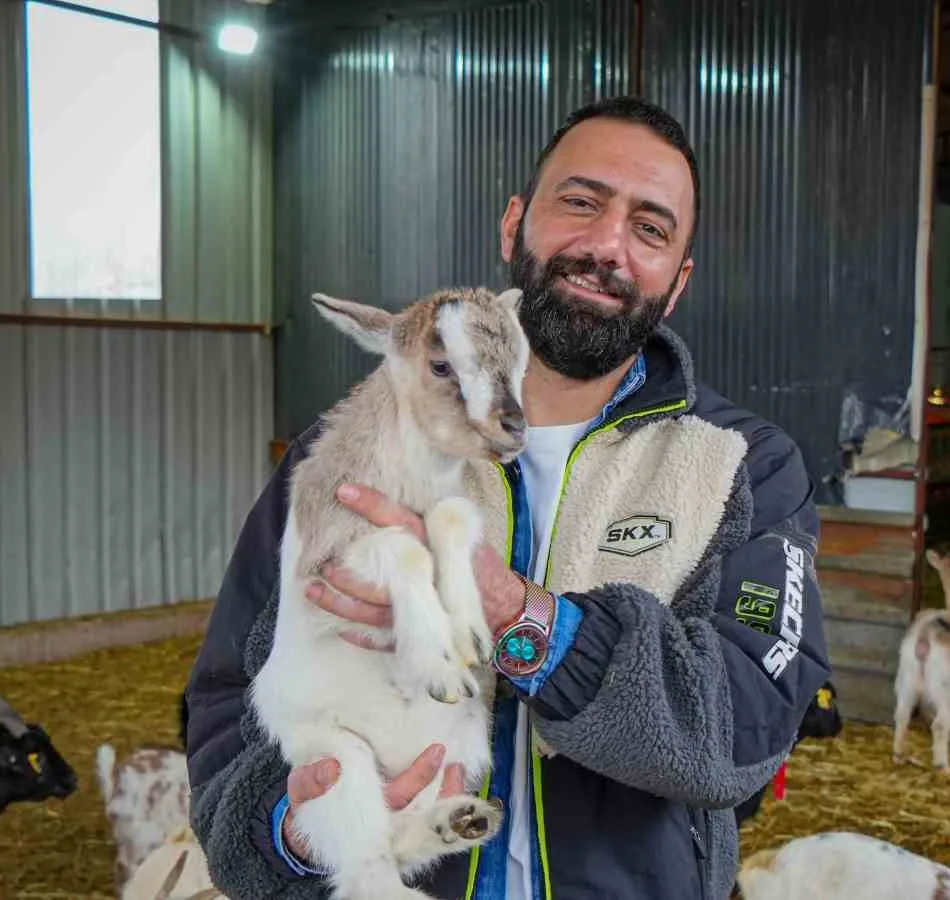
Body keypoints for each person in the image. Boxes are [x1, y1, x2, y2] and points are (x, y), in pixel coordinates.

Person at [184, 95, 832, 900]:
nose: (607, 246)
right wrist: (294, 833)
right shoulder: (352, 450)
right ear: (514, 224)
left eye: (651, 228)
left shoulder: (742, 466)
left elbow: (749, 726)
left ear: (678, 281)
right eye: (581, 202)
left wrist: (511, 613)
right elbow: (225, 707)